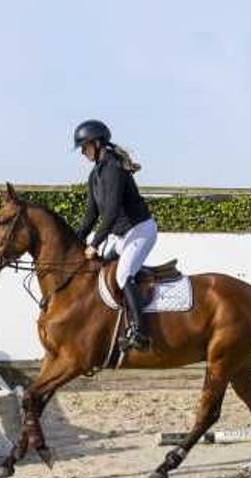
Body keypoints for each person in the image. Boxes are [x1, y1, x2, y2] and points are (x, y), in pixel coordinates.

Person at [73, 119, 157, 352]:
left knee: (122, 275)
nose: (82, 152)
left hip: (140, 230)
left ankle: (141, 333)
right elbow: (91, 214)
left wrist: (95, 243)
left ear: (97, 143)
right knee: (101, 271)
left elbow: (109, 213)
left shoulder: (113, 168)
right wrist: (75, 240)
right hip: (121, 236)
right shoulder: (95, 175)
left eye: (85, 146)